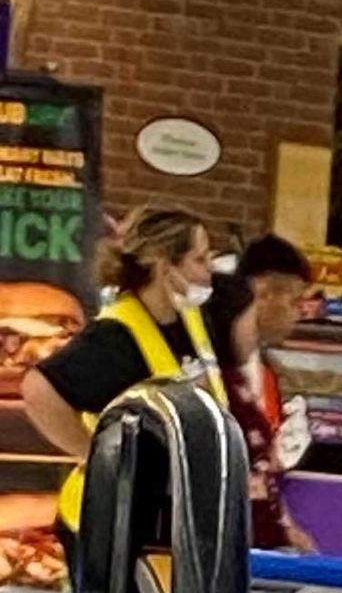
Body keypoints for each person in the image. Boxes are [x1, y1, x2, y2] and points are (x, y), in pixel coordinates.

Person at [22, 204, 224, 550]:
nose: (209, 270)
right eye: (200, 259)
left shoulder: (188, 320)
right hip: (109, 523)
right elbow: (39, 389)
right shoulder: (116, 334)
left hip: (160, 515)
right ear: (165, 266)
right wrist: (96, 457)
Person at [205, 234, 316, 551]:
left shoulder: (266, 374)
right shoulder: (209, 373)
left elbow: (261, 468)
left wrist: (286, 526)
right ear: (262, 292)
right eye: (294, 302)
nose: (298, 314)